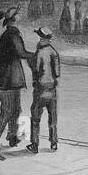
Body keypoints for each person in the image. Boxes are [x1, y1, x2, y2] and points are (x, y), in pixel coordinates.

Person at [0, 7, 34, 160]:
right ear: (14, 18)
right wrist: (38, 54)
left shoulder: (9, 33)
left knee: (15, 109)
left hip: (10, 77)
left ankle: (12, 136)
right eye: (18, 13)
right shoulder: (12, 34)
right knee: (7, 111)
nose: (21, 14)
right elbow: (21, 53)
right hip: (8, 79)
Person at [27, 26, 61, 154]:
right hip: (52, 89)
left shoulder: (39, 53)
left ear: (41, 38)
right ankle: (54, 143)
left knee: (35, 117)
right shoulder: (54, 52)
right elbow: (57, 73)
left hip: (40, 89)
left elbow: (36, 69)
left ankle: (34, 144)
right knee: (52, 117)